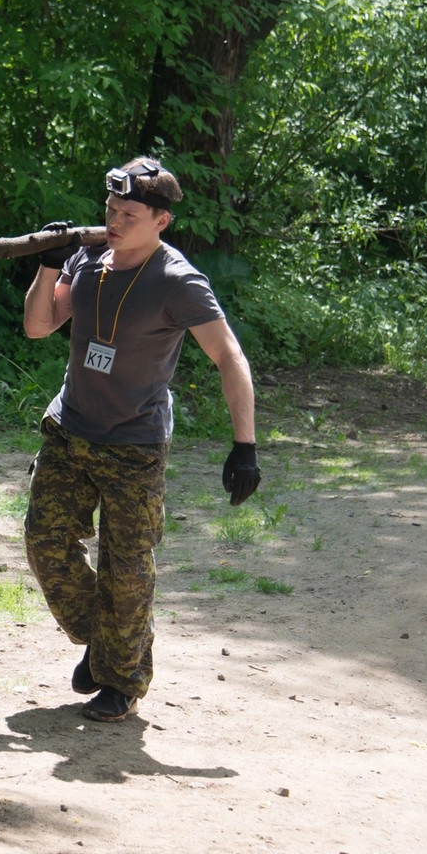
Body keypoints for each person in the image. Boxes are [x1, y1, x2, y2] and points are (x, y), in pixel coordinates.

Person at [22, 157, 260, 722]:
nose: (114, 221)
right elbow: (38, 325)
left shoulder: (177, 281)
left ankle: (121, 681)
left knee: (127, 569)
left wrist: (245, 445)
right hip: (70, 428)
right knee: (44, 543)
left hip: (135, 444)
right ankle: (107, 642)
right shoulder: (86, 258)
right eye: (110, 209)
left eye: (128, 214)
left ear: (161, 221)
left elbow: (228, 355)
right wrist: (49, 266)